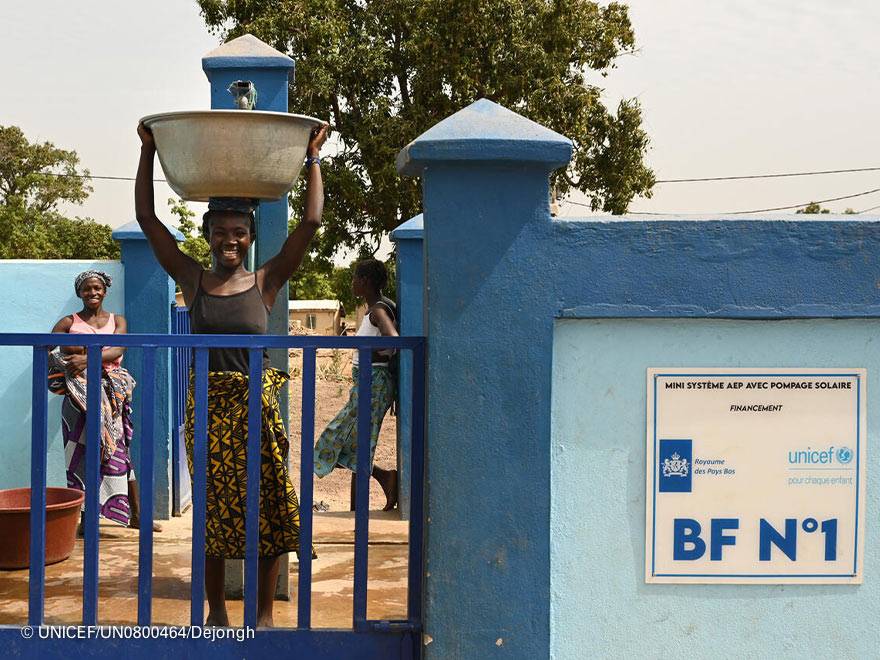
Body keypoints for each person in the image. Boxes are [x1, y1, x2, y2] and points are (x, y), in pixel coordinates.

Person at [135, 120, 328, 628]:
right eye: (220, 233)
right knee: (213, 517)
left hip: (257, 411)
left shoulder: (266, 281)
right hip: (209, 412)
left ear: (249, 238)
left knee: (269, 512)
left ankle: (262, 615)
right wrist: (148, 150)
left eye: (239, 233)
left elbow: (309, 224)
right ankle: (216, 610)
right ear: (207, 236)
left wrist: (311, 158)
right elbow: (147, 219)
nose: (230, 241)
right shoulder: (192, 280)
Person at [49, 270, 160, 533]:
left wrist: (85, 355)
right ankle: (87, 521)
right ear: (79, 293)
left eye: (97, 288)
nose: (92, 293)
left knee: (118, 452)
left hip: (112, 397)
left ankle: (137, 516)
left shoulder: (117, 320)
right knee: (80, 456)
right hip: (77, 400)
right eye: (87, 289)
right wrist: (79, 354)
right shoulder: (68, 322)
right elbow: (51, 347)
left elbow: (119, 349)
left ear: (105, 290)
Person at [313, 259, 399, 511]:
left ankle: (381, 482)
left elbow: (393, 341)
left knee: (332, 439)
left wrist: (370, 353)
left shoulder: (378, 311)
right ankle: (367, 498)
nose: (352, 283)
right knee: (355, 445)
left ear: (365, 281)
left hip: (373, 384)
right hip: (367, 384)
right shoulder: (376, 308)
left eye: (355, 278)